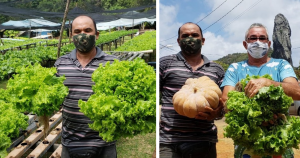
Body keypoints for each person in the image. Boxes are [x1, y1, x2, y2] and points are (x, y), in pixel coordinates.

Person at [221, 23, 300, 158]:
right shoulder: (235, 68)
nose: (258, 42)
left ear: (269, 43)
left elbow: (297, 92)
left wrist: (270, 83)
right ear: (245, 44)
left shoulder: (281, 65)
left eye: (262, 38)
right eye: (253, 38)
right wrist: (256, 119)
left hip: (279, 137)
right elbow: (226, 101)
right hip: (247, 142)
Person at [54, 15, 117, 158]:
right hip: (70, 142)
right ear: (71, 36)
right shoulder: (60, 64)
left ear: (97, 34)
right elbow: (56, 99)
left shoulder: (114, 63)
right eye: (77, 31)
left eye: (88, 30)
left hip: (104, 143)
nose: (82, 35)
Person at [159, 22, 225, 158]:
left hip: (204, 141)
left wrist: (216, 114)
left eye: (195, 35)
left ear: (203, 40)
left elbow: (222, 105)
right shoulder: (164, 63)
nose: (190, 38)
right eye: (185, 36)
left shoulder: (217, 69)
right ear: (178, 41)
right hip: (169, 142)